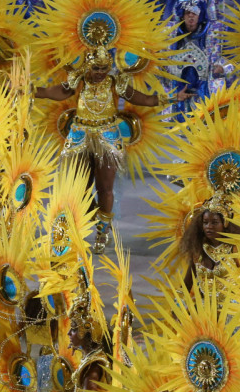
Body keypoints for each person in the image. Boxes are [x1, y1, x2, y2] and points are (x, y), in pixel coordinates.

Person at [34, 47, 163, 253]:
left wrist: (167, 99)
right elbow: (57, 92)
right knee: (79, 188)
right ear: (87, 65)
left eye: (104, 68)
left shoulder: (114, 83)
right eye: (96, 68)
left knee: (105, 188)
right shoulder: (79, 79)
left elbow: (142, 98)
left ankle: (102, 232)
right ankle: (94, 220)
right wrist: (34, 91)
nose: (100, 72)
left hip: (107, 137)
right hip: (80, 136)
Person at [180, 200, 240, 296]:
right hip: (204, 309)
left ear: (224, 224)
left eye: (214, 223)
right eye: (205, 223)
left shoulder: (235, 249)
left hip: (231, 308)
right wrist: (178, 303)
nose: (209, 227)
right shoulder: (198, 250)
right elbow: (186, 284)